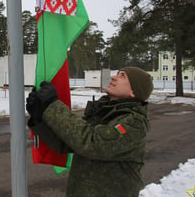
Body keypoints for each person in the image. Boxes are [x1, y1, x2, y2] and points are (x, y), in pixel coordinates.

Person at [26, 67, 153, 197]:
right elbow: (67, 142)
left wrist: (52, 105)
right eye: (117, 74)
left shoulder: (134, 123)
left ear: (133, 92)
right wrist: (40, 117)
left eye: (123, 76)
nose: (114, 77)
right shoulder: (102, 114)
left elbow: (92, 143)